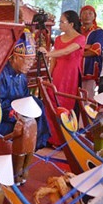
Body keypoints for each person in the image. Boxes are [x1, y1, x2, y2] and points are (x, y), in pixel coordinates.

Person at [0, 30, 50, 149]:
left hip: (19, 114)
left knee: (38, 104)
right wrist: (19, 114)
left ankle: (35, 146)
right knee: (27, 126)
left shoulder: (22, 76)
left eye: (32, 59)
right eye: (28, 60)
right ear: (15, 58)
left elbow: (25, 98)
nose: (31, 64)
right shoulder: (1, 76)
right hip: (3, 119)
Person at [38, 10, 86, 146]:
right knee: (51, 103)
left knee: (66, 105)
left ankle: (64, 139)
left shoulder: (80, 38)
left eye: (62, 21)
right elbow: (54, 59)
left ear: (71, 24)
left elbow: (67, 51)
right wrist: (50, 75)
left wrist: (48, 53)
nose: (59, 24)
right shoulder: (58, 39)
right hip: (58, 75)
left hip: (71, 77)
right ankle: (50, 137)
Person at [3, 97, 40, 186]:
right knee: (26, 165)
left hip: (20, 148)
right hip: (31, 147)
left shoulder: (20, 123)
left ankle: (17, 180)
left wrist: (6, 137)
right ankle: (24, 178)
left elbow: (16, 133)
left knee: (17, 165)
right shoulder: (33, 121)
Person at [80, 5, 103, 98]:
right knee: (75, 96)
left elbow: (96, 50)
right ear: (80, 16)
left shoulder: (98, 31)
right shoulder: (77, 30)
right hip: (76, 68)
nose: (87, 16)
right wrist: (87, 47)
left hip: (90, 68)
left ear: (94, 16)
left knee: (88, 96)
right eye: (84, 13)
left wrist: (77, 53)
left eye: (90, 13)